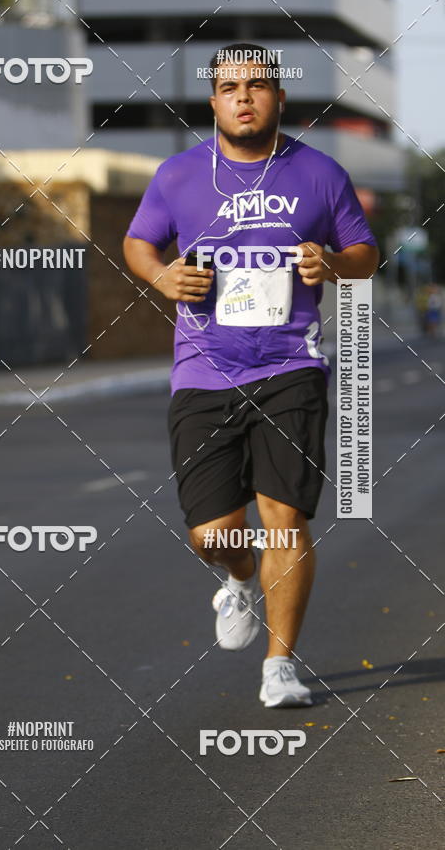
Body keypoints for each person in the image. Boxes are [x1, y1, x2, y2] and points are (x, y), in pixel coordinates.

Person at [123, 43, 379, 707]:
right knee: (213, 534)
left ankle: (281, 667)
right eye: (230, 87)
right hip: (204, 372)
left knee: (285, 519)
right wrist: (160, 275)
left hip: (291, 366)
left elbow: (365, 252)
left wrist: (334, 264)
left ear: (278, 97)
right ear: (213, 101)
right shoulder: (179, 176)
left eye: (257, 86)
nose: (244, 97)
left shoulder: (319, 173)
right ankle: (238, 579)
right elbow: (139, 242)